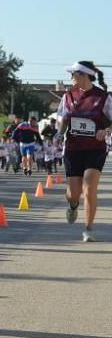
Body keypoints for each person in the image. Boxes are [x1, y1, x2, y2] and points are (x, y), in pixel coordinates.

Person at [58, 61, 112, 242]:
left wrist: (106, 130)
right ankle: (73, 205)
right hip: (73, 149)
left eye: (73, 74)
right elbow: (63, 120)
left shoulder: (103, 97)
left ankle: (88, 229)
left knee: (89, 187)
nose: (71, 78)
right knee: (73, 193)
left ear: (83, 75)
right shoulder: (68, 96)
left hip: (95, 149)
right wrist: (59, 133)